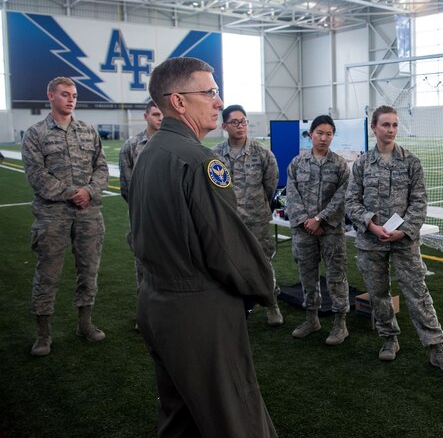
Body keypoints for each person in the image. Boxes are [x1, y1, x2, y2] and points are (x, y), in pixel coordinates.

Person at [128, 57, 277, 437]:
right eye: (209, 92)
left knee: (182, 420)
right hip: (198, 312)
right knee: (238, 421)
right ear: (178, 101)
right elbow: (228, 250)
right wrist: (264, 287)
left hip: (156, 303)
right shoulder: (200, 161)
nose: (218, 101)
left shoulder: (149, 153)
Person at [345, 105, 443, 373]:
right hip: (371, 241)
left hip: (404, 240)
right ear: (374, 127)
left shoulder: (411, 161)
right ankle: (389, 339)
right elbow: (351, 202)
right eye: (385, 125)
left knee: (417, 293)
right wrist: (371, 225)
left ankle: (436, 348)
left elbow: (419, 202)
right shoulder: (361, 164)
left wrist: (404, 230)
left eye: (394, 125)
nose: (391, 130)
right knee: (378, 293)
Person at [21, 76, 108, 356]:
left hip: (88, 214)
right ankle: (43, 334)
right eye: (64, 94)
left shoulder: (88, 130)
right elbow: (37, 176)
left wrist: (90, 191)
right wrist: (74, 192)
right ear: (51, 97)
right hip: (52, 216)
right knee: (48, 274)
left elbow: (102, 167)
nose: (71, 99)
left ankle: (85, 324)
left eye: (74, 95)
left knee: (89, 270)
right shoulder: (35, 134)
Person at [212, 104, 283, 326]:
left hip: (257, 220)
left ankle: (272, 305)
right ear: (224, 126)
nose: (240, 126)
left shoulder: (263, 154)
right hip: (227, 221)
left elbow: (270, 186)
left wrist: (258, 206)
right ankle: (236, 306)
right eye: (235, 122)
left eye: (243, 121)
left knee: (263, 263)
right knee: (230, 264)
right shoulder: (214, 155)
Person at [286, 115, 351, 344]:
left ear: (333, 136)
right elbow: (291, 196)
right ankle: (311, 318)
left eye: (329, 134)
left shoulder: (340, 164)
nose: (324, 138)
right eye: (319, 133)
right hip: (304, 230)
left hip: (331, 231)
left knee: (336, 276)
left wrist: (320, 220)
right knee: (308, 276)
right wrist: (307, 221)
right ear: (311, 134)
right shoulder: (297, 164)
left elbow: (342, 197)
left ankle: (340, 324)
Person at [119, 101, 163, 329]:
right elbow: (127, 187)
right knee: (143, 268)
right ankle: (144, 315)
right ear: (146, 116)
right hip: (143, 219)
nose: (160, 118)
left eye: (163, 114)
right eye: (156, 114)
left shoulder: (174, 143)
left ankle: (170, 313)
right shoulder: (132, 146)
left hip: (171, 219)